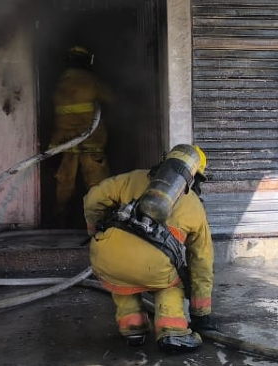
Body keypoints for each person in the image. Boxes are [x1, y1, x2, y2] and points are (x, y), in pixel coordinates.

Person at [83, 144, 215, 352]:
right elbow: (202, 261)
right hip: (154, 270)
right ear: (196, 177)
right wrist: (201, 313)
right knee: (170, 284)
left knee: (121, 279)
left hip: (107, 258)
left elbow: (93, 198)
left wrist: (94, 229)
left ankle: (133, 328)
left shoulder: (132, 178)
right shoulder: (195, 206)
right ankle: (172, 331)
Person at [49, 45, 113, 228]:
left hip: (67, 147)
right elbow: (114, 101)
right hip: (92, 147)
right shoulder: (92, 82)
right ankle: (101, 225)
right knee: (98, 188)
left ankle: (60, 222)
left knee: (64, 188)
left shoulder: (59, 84)